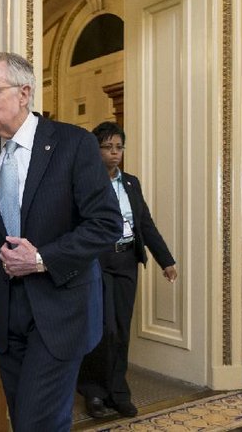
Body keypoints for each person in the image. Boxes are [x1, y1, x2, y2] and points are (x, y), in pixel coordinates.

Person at [0, 52, 123, 432]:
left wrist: (42, 258)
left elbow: (107, 223)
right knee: (23, 417)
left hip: (62, 311)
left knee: (36, 424)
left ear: (24, 93)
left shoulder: (73, 144)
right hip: (9, 315)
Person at [78, 121, 178, 419]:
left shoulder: (131, 183)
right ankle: (93, 391)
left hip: (125, 260)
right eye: (108, 147)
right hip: (97, 261)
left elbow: (145, 223)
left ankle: (117, 392)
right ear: (96, 150)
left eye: (118, 147)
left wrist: (166, 261)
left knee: (121, 329)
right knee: (102, 328)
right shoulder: (84, 181)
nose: (114, 153)